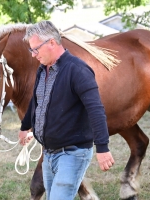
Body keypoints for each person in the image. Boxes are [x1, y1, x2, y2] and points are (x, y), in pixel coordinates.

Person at [18, 20, 114, 200]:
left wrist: (103, 148)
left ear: (52, 43)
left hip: (72, 154)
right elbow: (37, 100)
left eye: (35, 49)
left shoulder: (78, 70)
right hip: (49, 153)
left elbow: (96, 109)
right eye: (31, 50)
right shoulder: (43, 70)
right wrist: (26, 126)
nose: (33, 55)